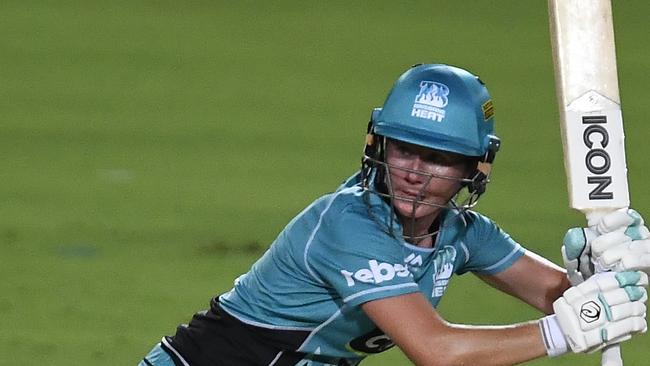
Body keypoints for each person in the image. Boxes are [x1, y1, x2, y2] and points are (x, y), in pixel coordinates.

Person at [140, 64, 650, 366]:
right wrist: (565, 330)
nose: (416, 173)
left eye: (440, 158)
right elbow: (436, 350)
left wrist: (601, 274)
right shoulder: (347, 226)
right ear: (377, 145)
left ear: (474, 168)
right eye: (404, 150)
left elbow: (557, 293)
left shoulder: (462, 233)